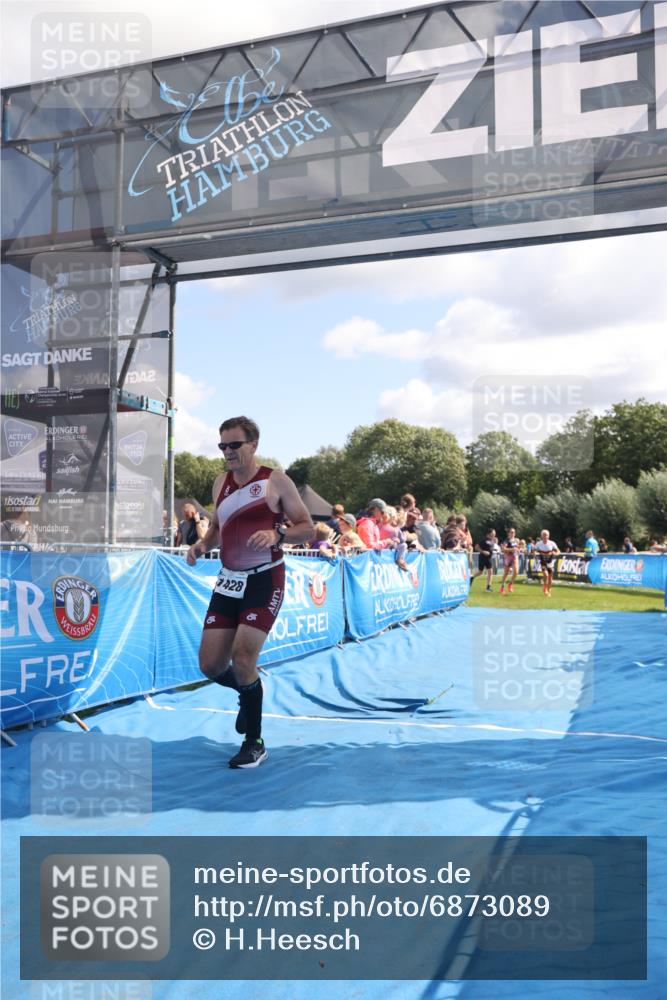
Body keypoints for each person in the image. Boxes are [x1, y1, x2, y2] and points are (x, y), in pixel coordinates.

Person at [187, 416, 314, 769]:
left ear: (253, 445)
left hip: (264, 579)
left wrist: (279, 535)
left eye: (234, 445)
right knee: (211, 665)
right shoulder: (219, 483)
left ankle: (254, 742)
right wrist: (201, 545)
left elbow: (309, 528)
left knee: (243, 658)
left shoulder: (276, 482)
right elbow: (216, 528)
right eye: (222, 446)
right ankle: (248, 693)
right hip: (229, 580)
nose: (227, 452)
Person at [535, 529, 560, 597]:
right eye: (544, 535)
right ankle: (545, 587)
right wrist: (536, 554)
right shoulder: (538, 544)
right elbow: (534, 551)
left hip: (550, 562)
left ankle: (548, 590)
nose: (545, 536)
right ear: (541, 536)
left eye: (546, 535)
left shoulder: (552, 543)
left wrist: (555, 553)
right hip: (543, 562)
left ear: (548, 536)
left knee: (550, 577)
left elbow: (558, 551)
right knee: (545, 575)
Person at [499, 527, 520, 594]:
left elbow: (517, 548)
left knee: (516, 571)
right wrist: (511, 549)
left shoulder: (516, 540)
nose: (512, 533)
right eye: (511, 532)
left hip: (515, 557)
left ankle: (510, 584)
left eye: (514, 532)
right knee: (506, 573)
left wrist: (519, 550)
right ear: (508, 533)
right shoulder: (506, 540)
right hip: (508, 558)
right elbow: (503, 549)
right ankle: (502, 587)